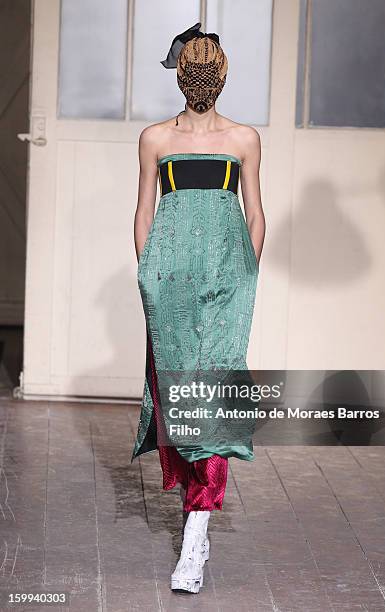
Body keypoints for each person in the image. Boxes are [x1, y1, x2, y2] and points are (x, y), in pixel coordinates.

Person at [131, 22, 265, 594]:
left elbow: (255, 213)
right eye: (196, 68)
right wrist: (148, 276)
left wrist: (245, 273)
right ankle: (196, 516)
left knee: (211, 400)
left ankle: (195, 538)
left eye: (209, 68)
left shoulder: (243, 140)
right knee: (179, 400)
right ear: (185, 75)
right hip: (172, 288)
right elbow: (143, 211)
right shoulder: (156, 139)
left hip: (225, 289)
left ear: (223, 75)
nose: (202, 77)